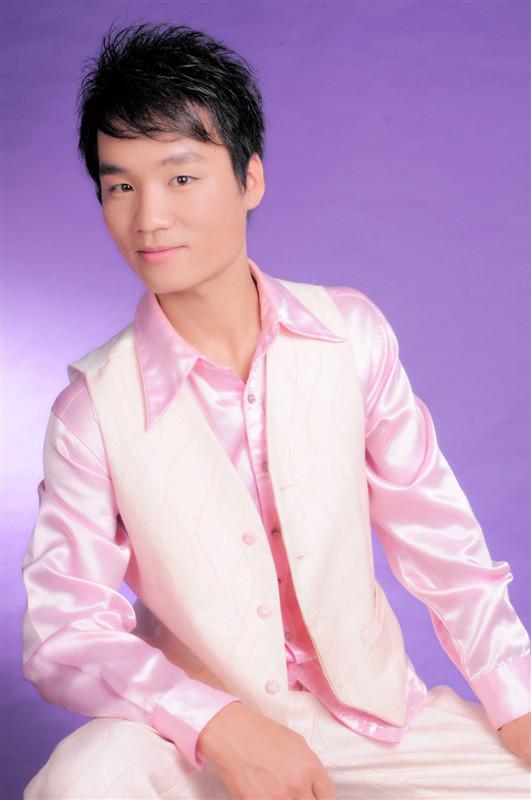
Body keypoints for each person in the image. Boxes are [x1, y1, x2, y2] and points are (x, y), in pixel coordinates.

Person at [21, 21, 530, 800]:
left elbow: (443, 550)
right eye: (121, 186)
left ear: (249, 178)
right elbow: (66, 631)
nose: (149, 216)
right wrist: (216, 722)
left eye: (180, 177)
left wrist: (517, 704)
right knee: (83, 780)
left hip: (374, 723)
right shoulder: (91, 410)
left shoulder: (348, 336)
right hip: (189, 736)